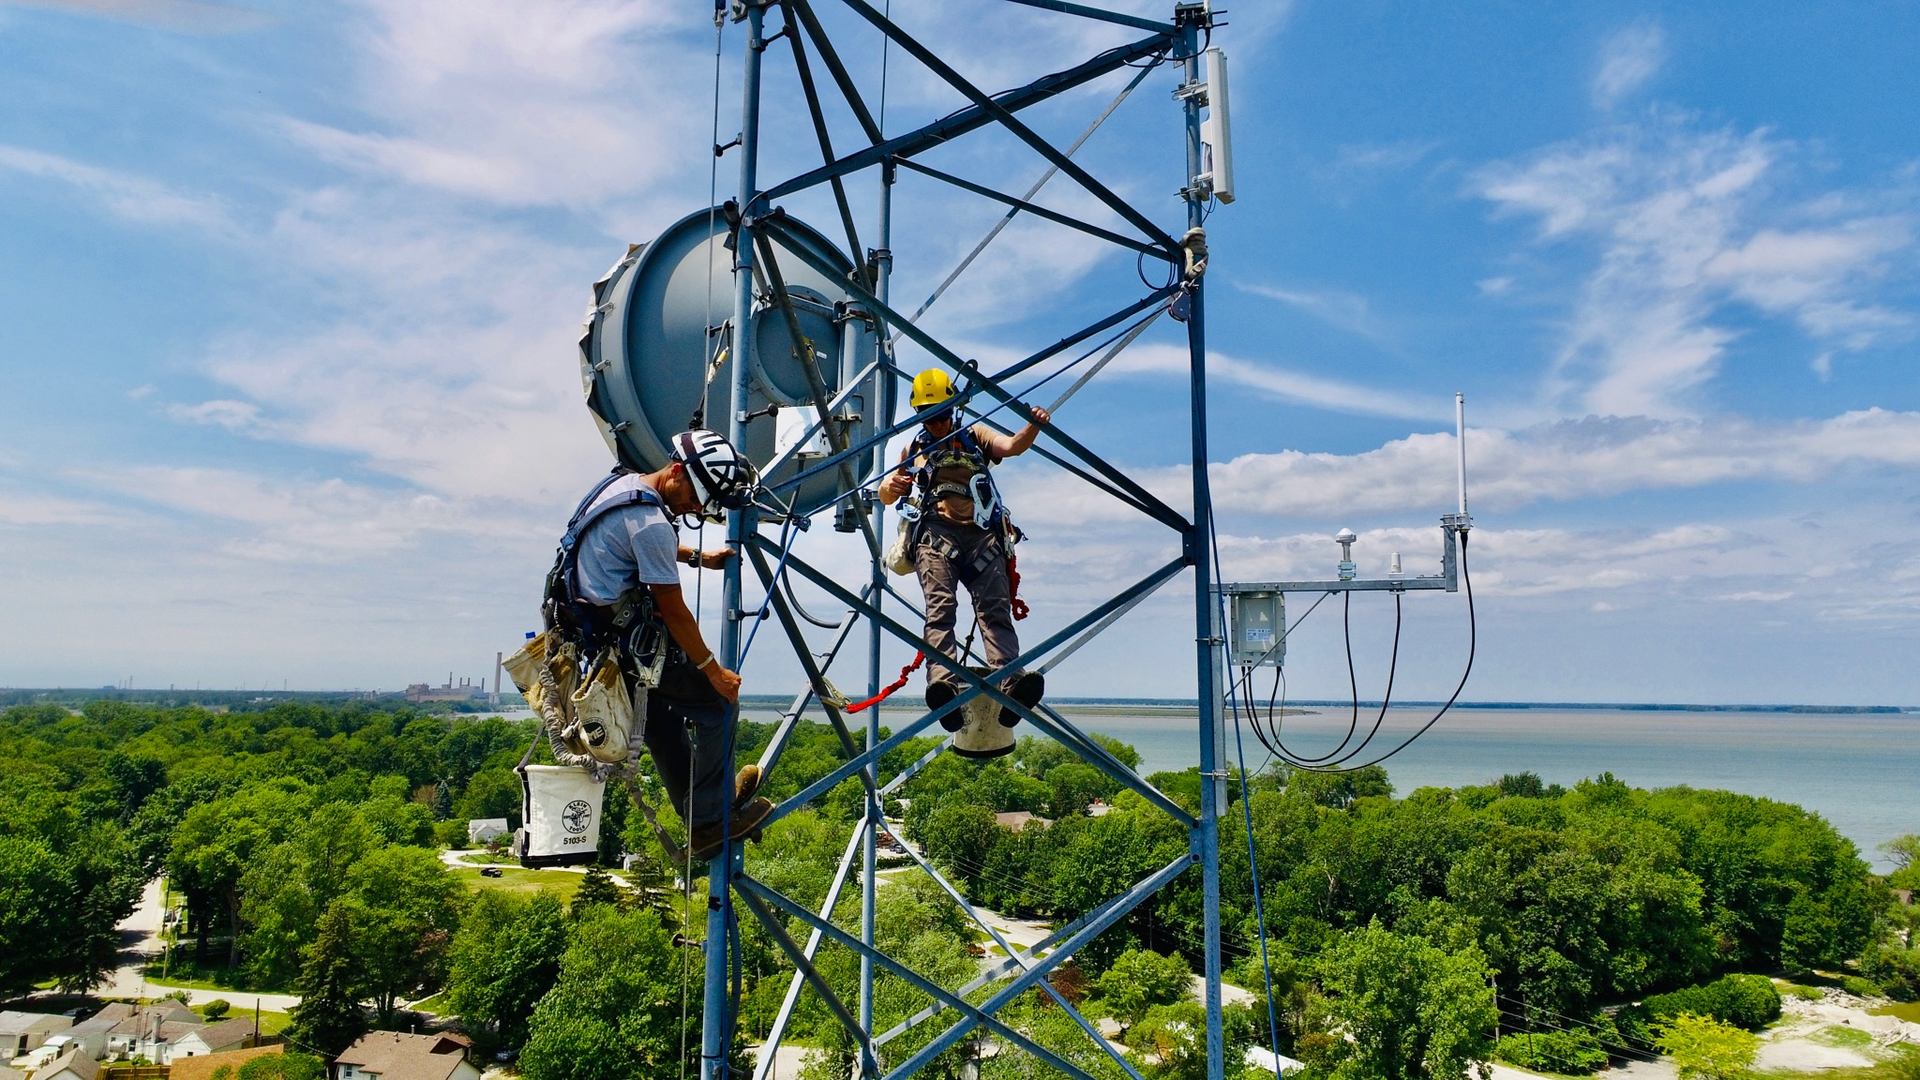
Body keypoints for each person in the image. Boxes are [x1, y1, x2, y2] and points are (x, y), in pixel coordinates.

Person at [556, 428, 770, 860]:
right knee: (718, 704)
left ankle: (703, 813)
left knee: (659, 720)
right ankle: (709, 820)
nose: (695, 507)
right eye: (694, 497)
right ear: (676, 471)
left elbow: (634, 543)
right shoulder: (652, 522)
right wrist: (713, 671)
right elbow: (675, 611)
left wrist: (697, 557)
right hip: (624, 640)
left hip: (597, 636)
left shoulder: (623, 487)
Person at [879, 369, 1049, 723]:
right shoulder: (914, 449)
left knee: (995, 611)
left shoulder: (974, 435)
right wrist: (891, 486)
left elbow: (1011, 447)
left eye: (942, 415)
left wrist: (1033, 426)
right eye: (929, 417)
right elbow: (886, 494)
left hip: (982, 537)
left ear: (953, 409)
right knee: (940, 612)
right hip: (935, 538)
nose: (937, 424)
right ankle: (943, 686)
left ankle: (1012, 684)